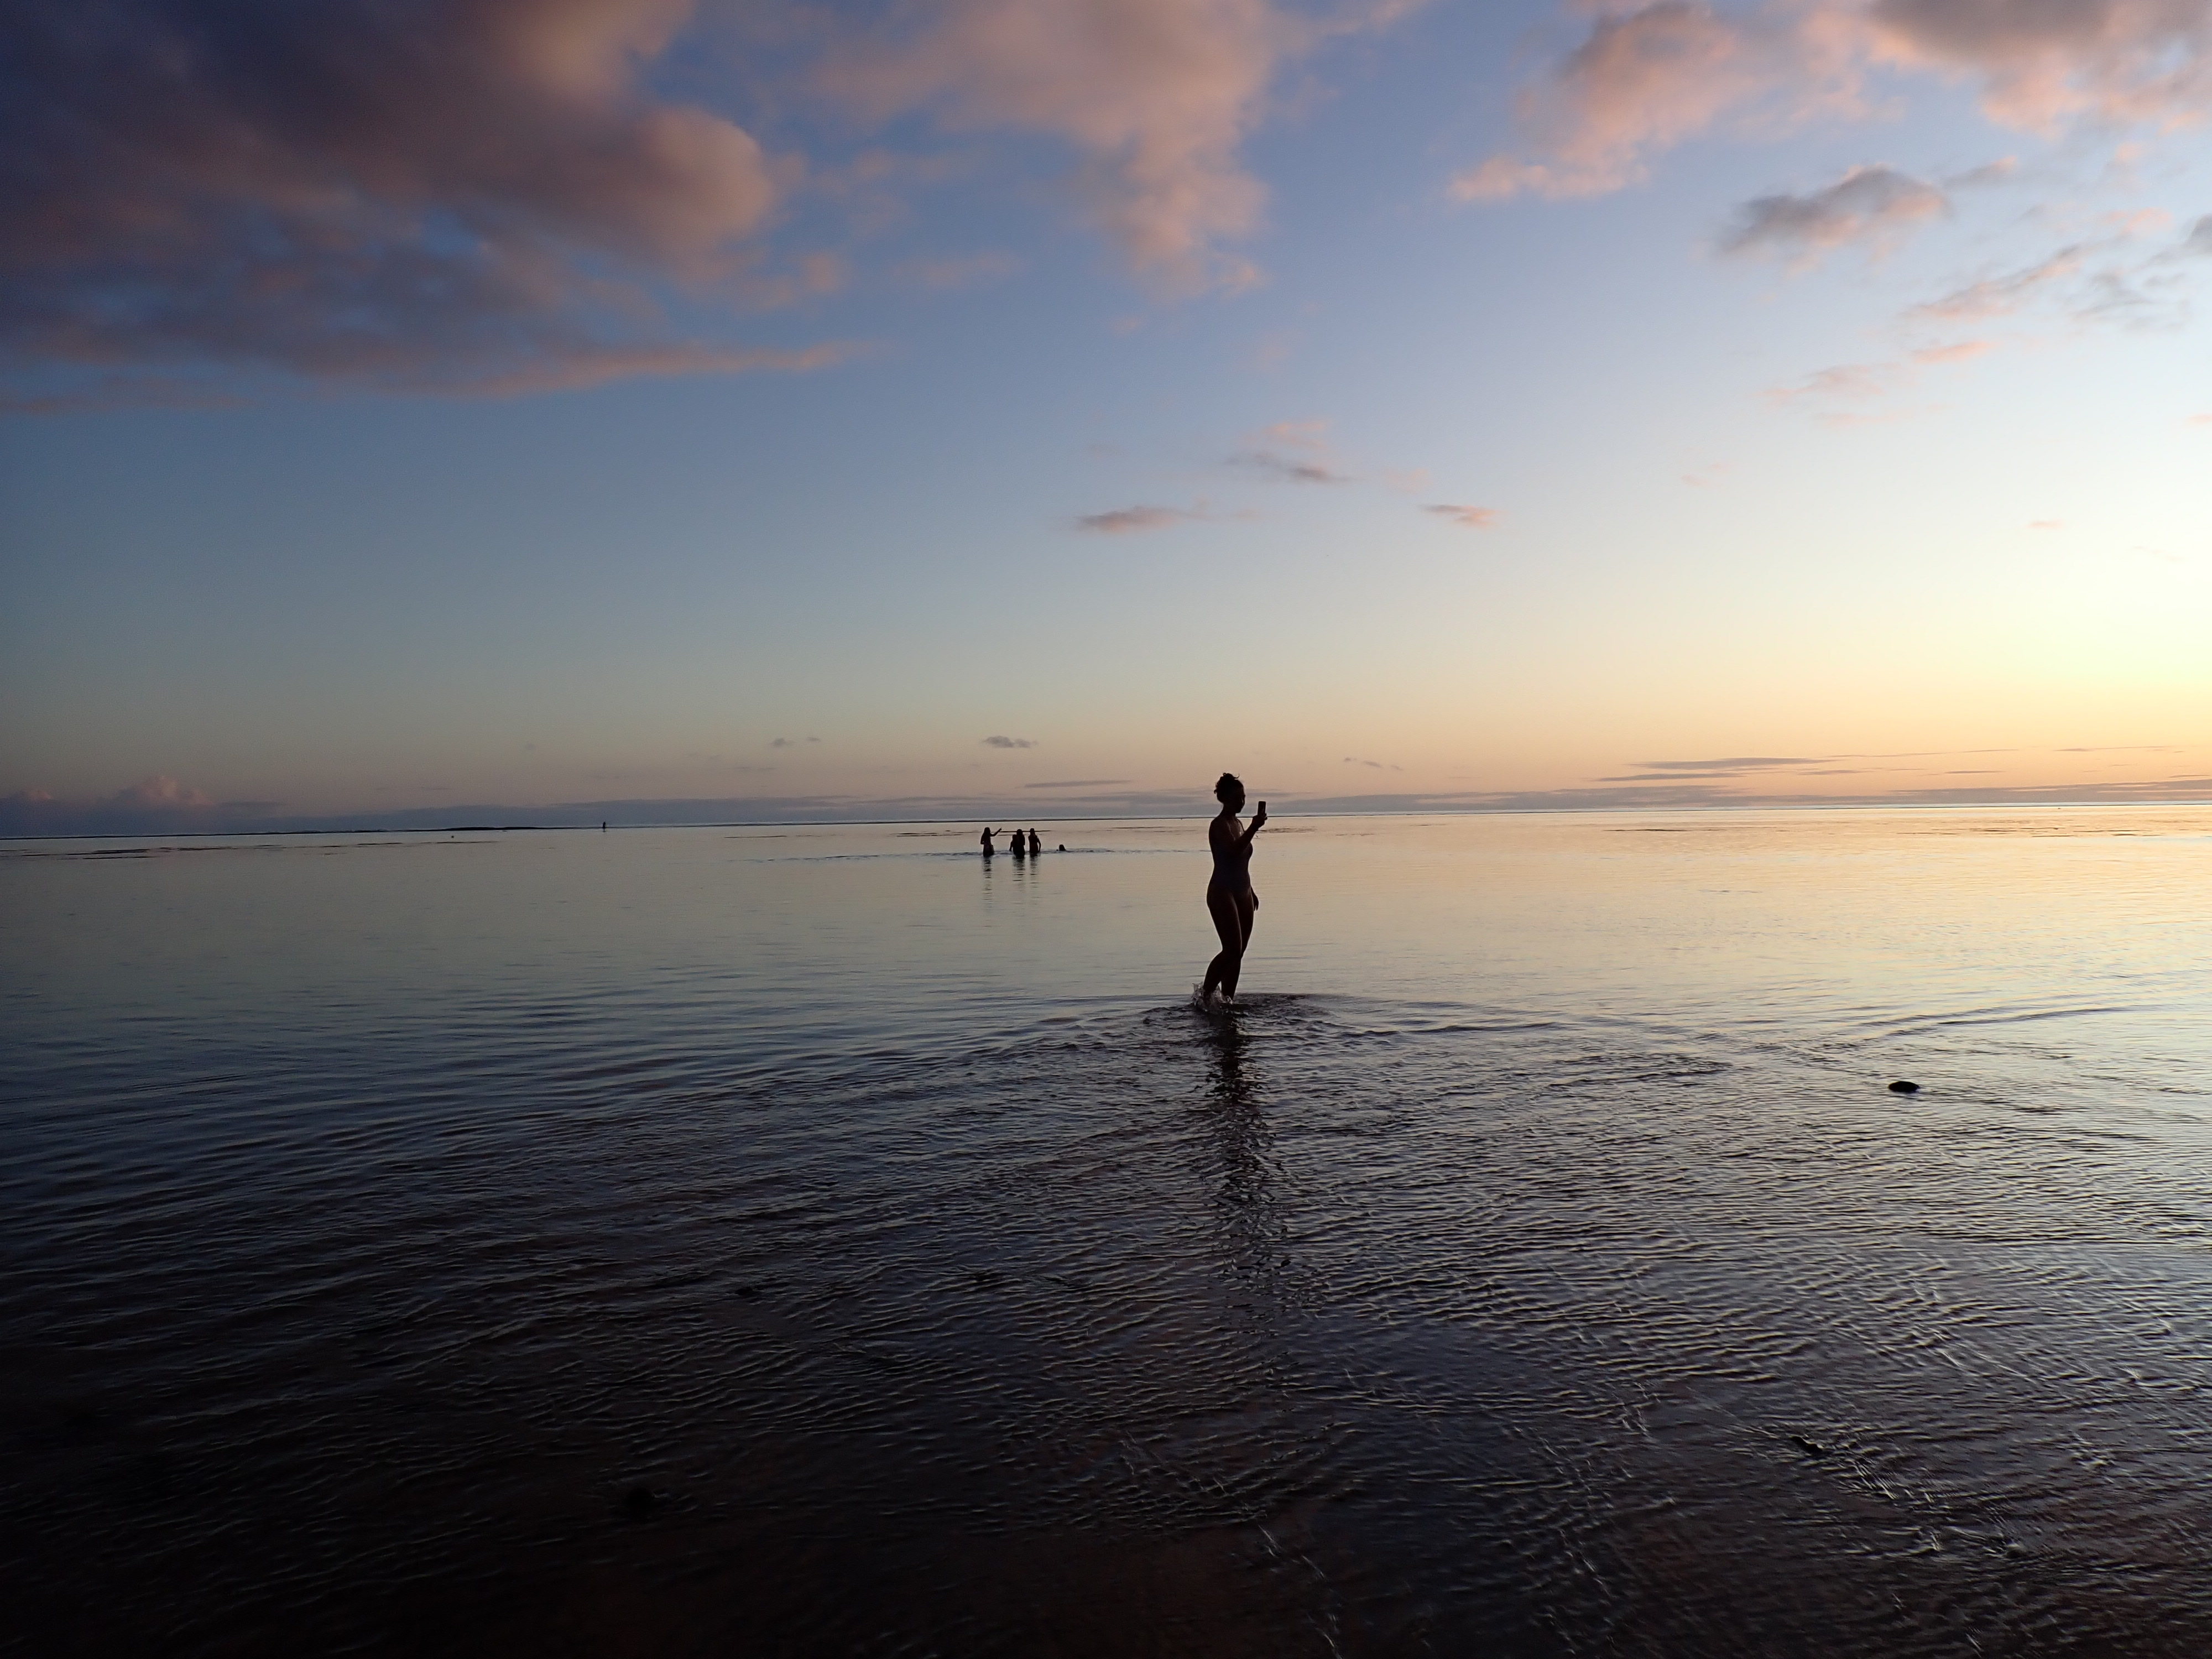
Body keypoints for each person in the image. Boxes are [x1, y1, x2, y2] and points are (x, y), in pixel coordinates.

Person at [1198, 772, 1267, 1005]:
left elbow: (1242, 862)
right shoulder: (1218, 825)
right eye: (1238, 797)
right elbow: (1234, 851)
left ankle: (1228, 1001)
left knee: (1238, 954)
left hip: (1244, 891)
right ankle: (1205, 997)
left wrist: (1252, 891)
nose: (1242, 802)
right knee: (1231, 949)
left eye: (1244, 797)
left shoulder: (1238, 823)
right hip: (1222, 891)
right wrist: (1254, 827)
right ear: (1225, 799)